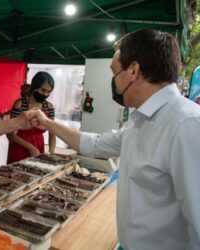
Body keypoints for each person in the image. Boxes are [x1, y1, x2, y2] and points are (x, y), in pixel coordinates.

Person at [31, 29, 200, 250]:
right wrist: (47, 123)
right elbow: (96, 145)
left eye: (114, 72)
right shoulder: (143, 119)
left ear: (133, 70)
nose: (114, 82)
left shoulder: (186, 124)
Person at [7, 71, 56, 163]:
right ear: (34, 87)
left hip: (39, 146)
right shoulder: (20, 104)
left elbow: (52, 133)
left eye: (48, 92)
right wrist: (31, 147)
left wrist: (51, 153)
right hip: (20, 147)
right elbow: (9, 134)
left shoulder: (49, 107)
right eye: (43, 90)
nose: (45, 94)